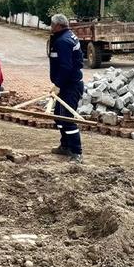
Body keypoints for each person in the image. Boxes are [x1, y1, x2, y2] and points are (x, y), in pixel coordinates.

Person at [48, 14, 84, 163]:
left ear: (58, 26)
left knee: (67, 119)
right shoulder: (66, 36)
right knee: (59, 116)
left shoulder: (63, 41)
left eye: (51, 25)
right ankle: (65, 146)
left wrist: (58, 85)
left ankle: (76, 152)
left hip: (70, 86)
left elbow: (66, 67)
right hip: (67, 84)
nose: (50, 27)